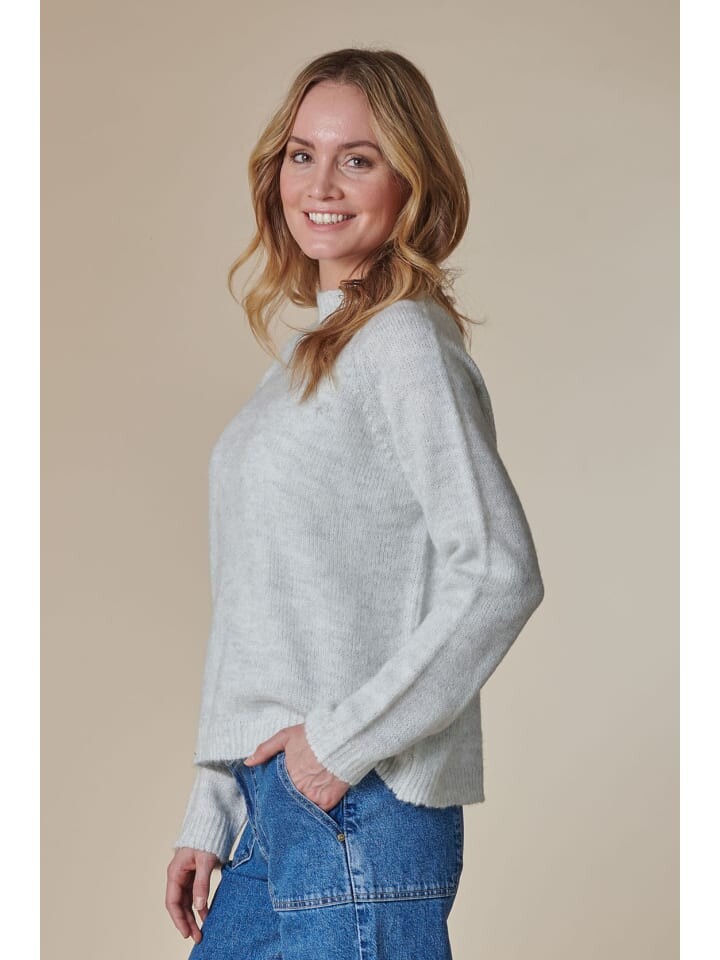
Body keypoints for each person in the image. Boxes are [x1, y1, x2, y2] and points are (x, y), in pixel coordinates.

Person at [164, 47, 545, 960]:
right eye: (302, 154)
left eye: (358, 158)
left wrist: (340, 744)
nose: (321, 185)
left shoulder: (403, 341)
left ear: (411, 181)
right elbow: (262, 606)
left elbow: (499, 572)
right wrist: (213, 807)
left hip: (358, 804)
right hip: (277, 809)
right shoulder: (311, 358)